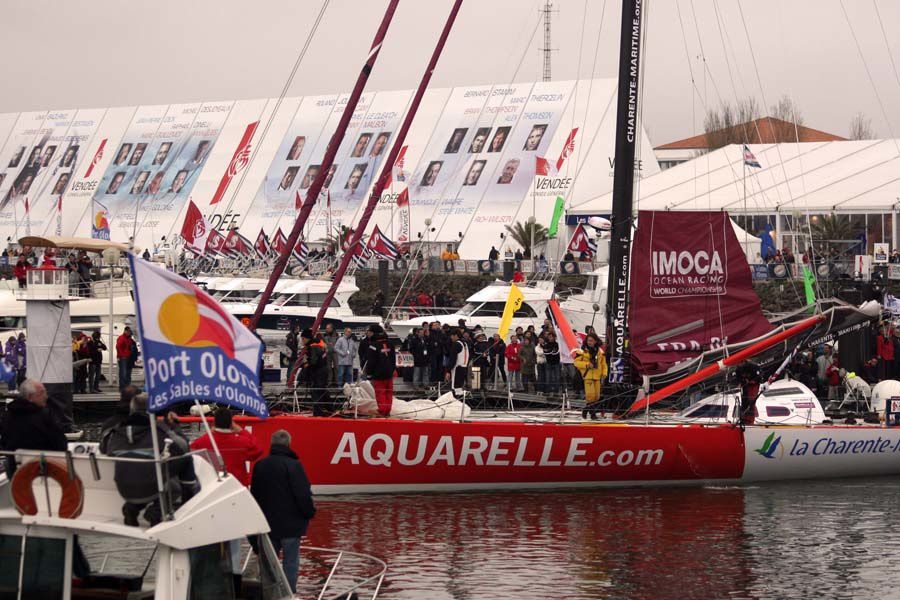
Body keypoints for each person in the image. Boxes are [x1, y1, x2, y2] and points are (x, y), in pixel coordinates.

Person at [100, 394, 198, 526]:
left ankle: (131, 508)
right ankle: (156, 512)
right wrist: (173, 426)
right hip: (150, 486)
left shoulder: (116, 432)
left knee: (143, 473)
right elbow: (183, 446)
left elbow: (103, 449)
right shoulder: (157, 430)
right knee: (181, 466)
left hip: (124, 488)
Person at [250, 430, 316, 594]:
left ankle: (269, 594)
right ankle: (288, 594)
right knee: (291, 563)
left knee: (268, 566)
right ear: (288, 444)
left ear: (272, 444)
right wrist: (309, 513)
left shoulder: (260, 465)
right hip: (291, 526)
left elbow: (255, 496)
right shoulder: (294, 465)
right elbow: (302, 494)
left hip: (268, 525)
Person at [0, 379, 67, 476]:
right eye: (42, 393)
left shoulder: (7, 416)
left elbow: (4, 442)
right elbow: (60, 444)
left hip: (15, 471)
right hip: (43, 471)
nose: (46, 397)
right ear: (30, 397)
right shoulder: (44, 417)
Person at [190, 408, 262, 486]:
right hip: (237, 486)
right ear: (231, 423)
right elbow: (257, 450)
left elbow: (191, 453)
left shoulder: (202, 442)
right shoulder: (242, 443)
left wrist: (209, 434)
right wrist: (241, 431)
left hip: (212, 486)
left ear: (214, 423)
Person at [363, 324, 395, 416]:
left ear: (374, 333)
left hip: (378, 374)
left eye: (369, 332)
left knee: (380, 392)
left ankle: (382, 410)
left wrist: (369, 374)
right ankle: (387, 410)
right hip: (389, 372)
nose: (368, 334)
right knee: (388, 392)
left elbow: (371, 361)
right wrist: (392, 369)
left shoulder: (373, 345)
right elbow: (393, 358)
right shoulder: (390, 343)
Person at [298, 329, 331, 416]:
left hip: (318, 372)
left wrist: (305, 363)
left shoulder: (313, 346)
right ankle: (330, 408)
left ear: (307, 338)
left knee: (316, 392)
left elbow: (313, 361)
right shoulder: (319, 344)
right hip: (323, 370)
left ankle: (318, 413)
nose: (302, 341)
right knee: (322, 390)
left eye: (303, 339)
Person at [575, 333, 607, 419]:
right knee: (590, 396)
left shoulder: (600, 351)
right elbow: (576, 363)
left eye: (591, 340)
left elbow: (603, 364)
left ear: (595, 341)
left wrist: (604, 373)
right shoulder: (582, 350)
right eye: (588, 340)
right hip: (588, 376)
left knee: (597, 397)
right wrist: (587, 364)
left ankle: (585, 409)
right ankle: (593, 414)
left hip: (597, 376)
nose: (590, 342)